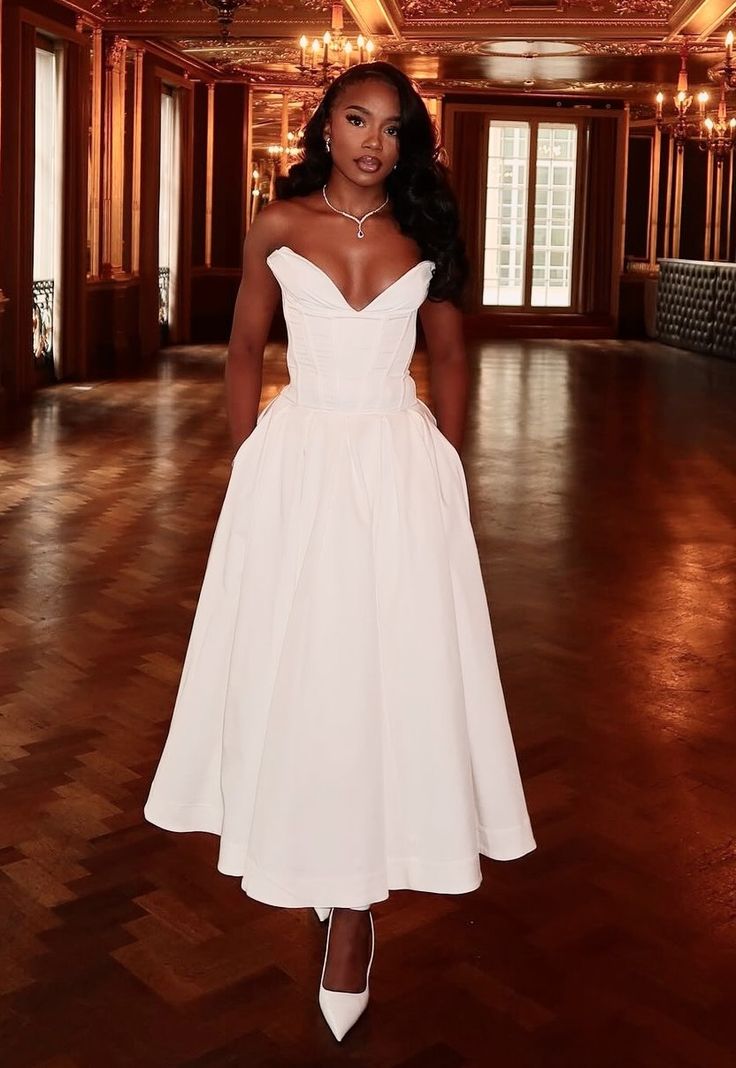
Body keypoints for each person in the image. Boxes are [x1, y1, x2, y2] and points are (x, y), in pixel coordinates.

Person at [144, 60, 536, 1043]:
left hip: (395, 472)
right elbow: (242, 347)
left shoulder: (423, 232)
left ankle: (355, 912)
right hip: (299, 464)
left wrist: (442, 472)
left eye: (393, 128)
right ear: (322, 128)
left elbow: (447, 358)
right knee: (308, 667)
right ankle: (318, 850)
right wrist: (247, 466)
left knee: (384, 671)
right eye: (356, 120)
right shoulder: (278, 225)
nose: (373, 141)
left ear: (408, 144)